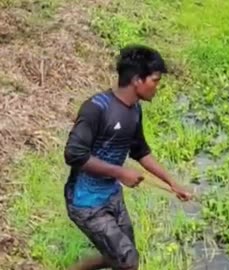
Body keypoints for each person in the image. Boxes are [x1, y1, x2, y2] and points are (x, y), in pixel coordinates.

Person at [63, 44, 192, 270]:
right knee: (128, 261)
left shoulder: (134, 110)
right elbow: (74, 154)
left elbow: (140, 151)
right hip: (86, 202)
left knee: (122, 256)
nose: (157, 87)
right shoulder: (96, 108)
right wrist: (120, 172)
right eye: (155, 80)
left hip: (112, 195)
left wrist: (172, 183)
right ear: (136, 80)